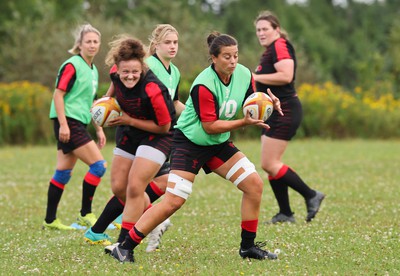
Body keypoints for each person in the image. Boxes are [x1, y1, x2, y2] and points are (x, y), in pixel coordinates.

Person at [110, 32, 283, 263]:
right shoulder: (203, 84)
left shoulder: (243, 74)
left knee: (254, 185)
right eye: (227, 57)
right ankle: (125, 246)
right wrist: (243, 122)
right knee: (173, 201)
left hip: (217, 144)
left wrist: (269, 104)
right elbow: (210, 126)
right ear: (213, 58)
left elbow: (251, 102)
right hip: (189, 143)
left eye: (236, 56)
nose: (233, 61)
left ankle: (248, 247)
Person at [84, 25, 184, 252]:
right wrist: (102, 104)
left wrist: (129, 120)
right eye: (124, 72)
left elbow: (163, 126)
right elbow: (112, 88)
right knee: (119, 187)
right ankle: (154, 220)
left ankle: (122, 245)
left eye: (135, 72)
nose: (129, 76)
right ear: (117, 68)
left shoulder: (153, 89)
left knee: (136, 185)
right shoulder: (115, 74)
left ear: (142, 68)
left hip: (157, 135)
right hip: (128, 131)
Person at [253, 10, 325, 224]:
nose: (261, 33)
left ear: (276, 29)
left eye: (265, 28)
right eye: (258, 30)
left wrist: (254, 76)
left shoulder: (280, 45)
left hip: (286, 110)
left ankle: (311, 195)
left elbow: (286, 76)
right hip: (275, 111)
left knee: (269, 163)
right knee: (271, 162)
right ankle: (285, 213)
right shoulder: (269, 50)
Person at [43, 23, 106, 230]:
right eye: (88, 41)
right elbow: (58, 94)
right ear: (79, 44)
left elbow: (92, 103)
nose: (92, 45)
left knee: (63, 172)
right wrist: (63, 124)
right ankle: (85, 214)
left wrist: (98, 128)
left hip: (78, 122)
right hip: (68, 121)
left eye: (95, 41)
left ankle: (50, 220)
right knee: (98, 166)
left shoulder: (93, 70)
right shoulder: (72, 65)